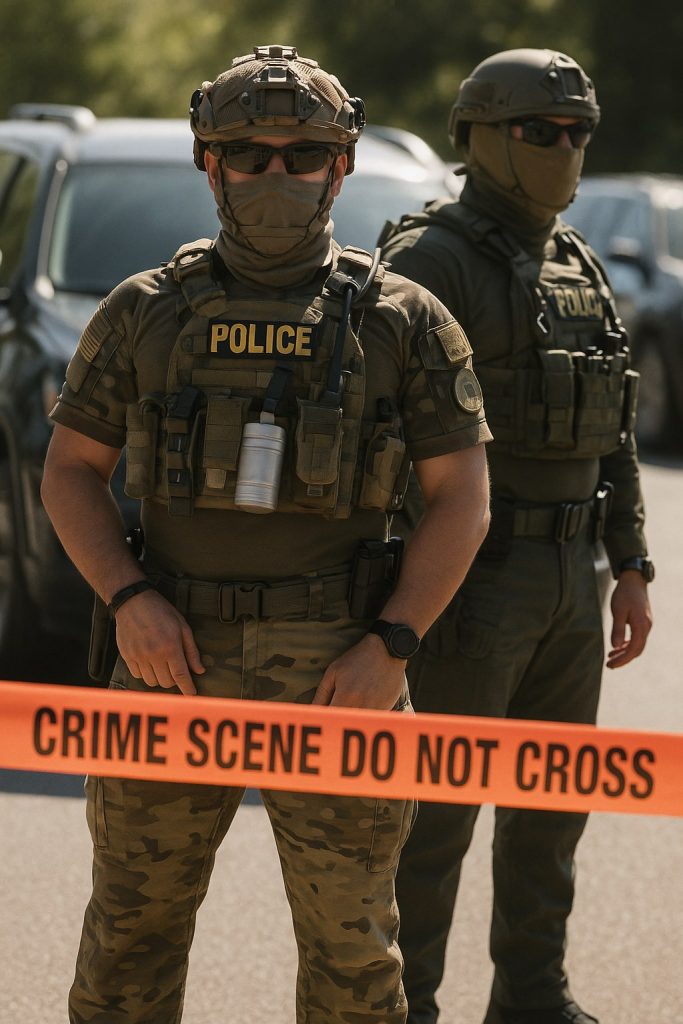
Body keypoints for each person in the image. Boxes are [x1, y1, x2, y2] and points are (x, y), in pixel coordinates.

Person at [41, 44, 491, 1024]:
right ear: (210, 164)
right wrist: (129, 600)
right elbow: (70, 471)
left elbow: (461, 496)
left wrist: (392, 643)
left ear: (341, 165)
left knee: (353, 955)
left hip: (340, 667)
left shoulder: (402, 319)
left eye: (302, 154)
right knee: (128, 942)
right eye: (249, 154)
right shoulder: (144, 310)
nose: (275, 174)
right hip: (171, 656)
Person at [380, 48, 653, 1024]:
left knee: (550, 805)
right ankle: (403, 1002)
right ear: (480, 136)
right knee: (435, 814)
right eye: (540, 131)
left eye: (576, 131)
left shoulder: (577, 261)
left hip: (572, 574)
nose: (562, 147)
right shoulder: (430, 261)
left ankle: (532, 995)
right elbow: (381, 433)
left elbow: (613, 426)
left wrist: (630, 562)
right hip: (472, 578)